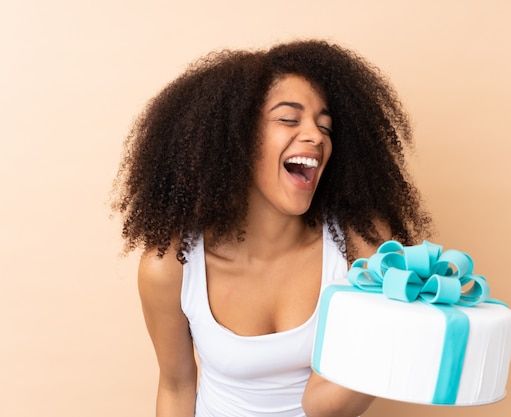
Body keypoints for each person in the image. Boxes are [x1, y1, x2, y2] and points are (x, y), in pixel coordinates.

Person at [112, 39, 432, 417]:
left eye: (325, 126)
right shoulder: (171, 266)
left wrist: (401, 328)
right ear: (235, 139)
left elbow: (327, 405)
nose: (315, 136)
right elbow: (177, 386)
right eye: (288, 119)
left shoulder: (360, 247)